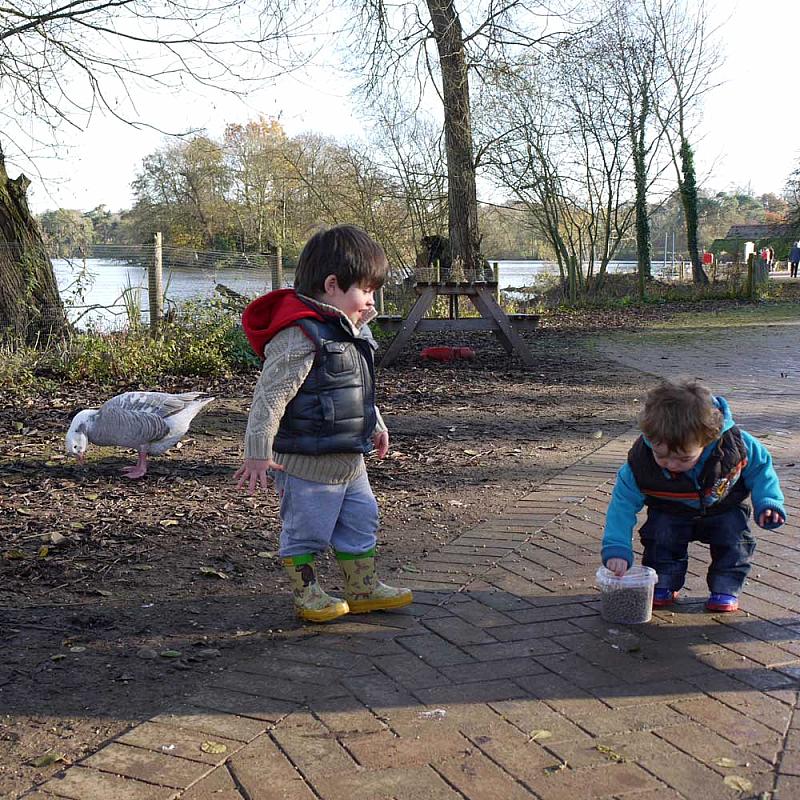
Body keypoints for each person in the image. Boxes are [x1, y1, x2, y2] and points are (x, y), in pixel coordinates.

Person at [235, 225, 412, 623]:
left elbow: (359, 387)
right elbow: (269, 397)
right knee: (307, 529)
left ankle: (362, 585)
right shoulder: (300, 336)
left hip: (350, 456)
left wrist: (376, 423)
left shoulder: (352, 332)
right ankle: (307, 592)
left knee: (361, 518)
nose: (370, 301)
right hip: (306, 461)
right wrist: (257, 453)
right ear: (332, 285)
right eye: (365, 291)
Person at [601, 379, 785, 613]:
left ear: (709, 438)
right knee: (660, 538)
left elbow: (761, 470)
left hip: (723, 507)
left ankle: (725, 587)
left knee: (735, 542)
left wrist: (769, 501)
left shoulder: (736, 445)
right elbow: (622, 506)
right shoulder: (640, 464)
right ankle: (664, 582)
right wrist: (616, 547)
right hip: (670, 508)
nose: (671, 464)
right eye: (662, 455)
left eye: (683, 458)